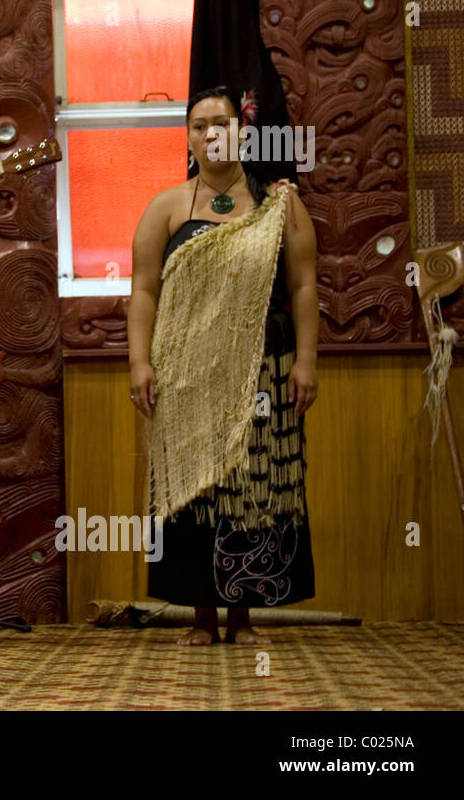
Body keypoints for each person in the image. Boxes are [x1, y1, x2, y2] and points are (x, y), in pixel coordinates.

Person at [128, 85, 319, 645]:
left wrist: (306, 359)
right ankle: (202, 616)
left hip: (264, 369)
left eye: (222, 123)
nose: (211, 133)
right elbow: (142, 292)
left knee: (256, 486)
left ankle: (244, 614)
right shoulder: (166, 207)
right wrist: (140, 362)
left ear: (243, 131)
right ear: (187, 138)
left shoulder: (280, 203)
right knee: (197, 488)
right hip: (186, 373)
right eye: (198, 125)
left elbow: (304, 286)